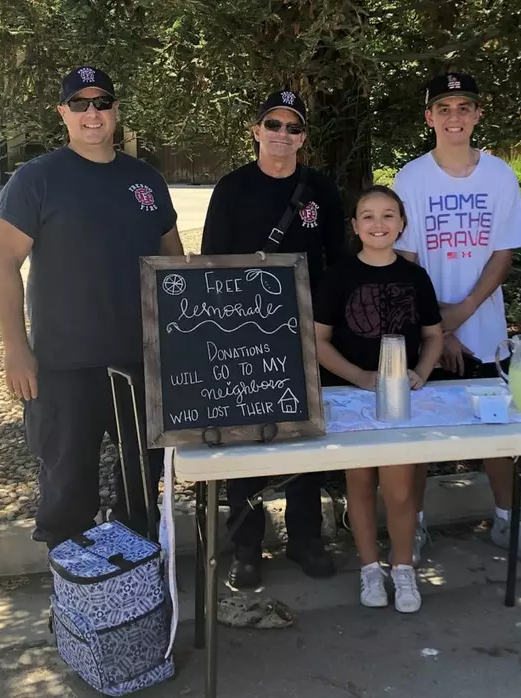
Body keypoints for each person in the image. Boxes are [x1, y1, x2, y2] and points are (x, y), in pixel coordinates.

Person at [0, 66, 184, 548]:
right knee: (67, 488)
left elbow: (172, 264)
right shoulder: (36, 179)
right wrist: (15, 348)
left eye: (101, 103)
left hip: (138, 362)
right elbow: (3, 265)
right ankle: (72, 586)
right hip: (63, 364)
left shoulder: (146, 180)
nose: (91, 113)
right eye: (79, 103)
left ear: (116, 110)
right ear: (63, 112)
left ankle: (135, 580)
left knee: (141, 486)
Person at [393, 72, 521, 567]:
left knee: (497, 434)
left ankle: (507, 520)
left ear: (478, 114)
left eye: (464, 107)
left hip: (485, 331)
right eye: (444, 108)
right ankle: (413, 525)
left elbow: (503, 254)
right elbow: (406, 262)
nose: (454, 117)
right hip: (426, 333)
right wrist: (438, 331)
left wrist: (461, 316)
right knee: (419, 436)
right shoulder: (411, 178)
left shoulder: (499, 175)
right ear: (429, 118)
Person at [201, 89, 345, 588]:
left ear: (303, 137)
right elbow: (212, 263)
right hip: (243, 335)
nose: (283, 134)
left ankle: (306, 538)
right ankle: (246, 545)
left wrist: (327, 326)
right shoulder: (232, 187)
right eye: (274, 124)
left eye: (293, 127)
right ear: (256, 131)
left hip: (305, 332)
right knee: (245, 440)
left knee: (305, 437)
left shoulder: (321, 189)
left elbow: (336, 263)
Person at [314, 185, 444, 613]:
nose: (378, 224)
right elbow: (317, 340)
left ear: (402, 224)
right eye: (368, 216)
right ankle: (370, 567)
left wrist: (421, 372)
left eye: (388, 215)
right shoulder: (338, 275)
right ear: (355, 226)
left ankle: (403, 566)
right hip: (351, 398)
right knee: (360, 485)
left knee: (400, 489)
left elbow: (433, 335)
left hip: (399, 399)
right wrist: (359, 377)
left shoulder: (415, 276)